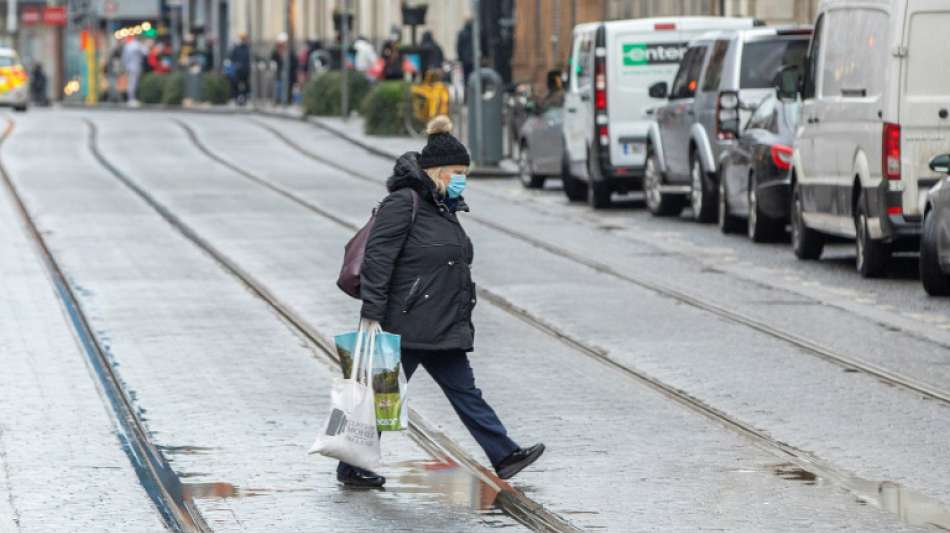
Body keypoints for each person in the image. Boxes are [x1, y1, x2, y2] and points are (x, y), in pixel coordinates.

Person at [336, 116, 545, 488]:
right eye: (458, 171)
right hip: (405, 322)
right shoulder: (404, 203)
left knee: (464, 391)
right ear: (436, 171)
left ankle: (504, 454)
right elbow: (379, 258)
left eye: (465, 172)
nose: (463, 178)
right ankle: (351, 465)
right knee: (382, 396)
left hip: (440, 322)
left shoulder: (443, 206)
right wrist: (372, 314)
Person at [121, 37, 148, 106]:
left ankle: (131, 99)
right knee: (134, 83)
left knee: (131, 83)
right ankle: (132, 99)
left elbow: (124, 58)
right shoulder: (138, 45)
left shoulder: (128, 46)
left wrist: (124, 67)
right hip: (136, 66)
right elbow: (145, 52)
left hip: (130, 67)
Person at [227, 33, 251, 104]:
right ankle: (237, 98)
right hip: (238, 70)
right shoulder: (236, 48)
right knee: (236, 84)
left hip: (246, 70)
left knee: (246, 84)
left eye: (244, 38)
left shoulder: (248, 48)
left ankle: (245, 98)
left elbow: (250, 58)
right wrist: (236, 64)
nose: (243, 40)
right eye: (242, 38)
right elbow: (232, 58)